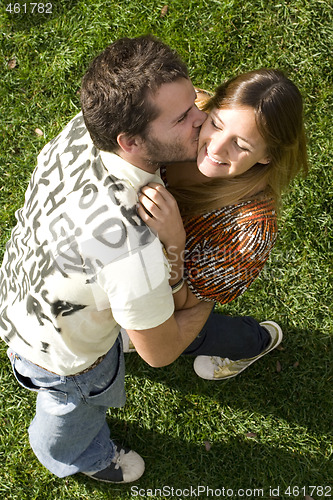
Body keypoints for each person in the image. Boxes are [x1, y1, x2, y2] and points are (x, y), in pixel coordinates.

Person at [0, 35, 214, 484]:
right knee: (71, 411)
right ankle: (77, 455)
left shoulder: (86, 126)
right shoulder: (130, 250)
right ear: (131, 141)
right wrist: (209, 296)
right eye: (183, 118)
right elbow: (161, 352)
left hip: (22, 282)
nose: (203, 118)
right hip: (64, 355)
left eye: (193, 101)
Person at [134, 69, 308, 380]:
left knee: (194, 334)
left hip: (180, 294)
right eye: (216, 124)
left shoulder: (250, 230)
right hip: (135, 270)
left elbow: (188, 302)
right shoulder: (188, 114)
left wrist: (174, 242)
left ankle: (257, 341)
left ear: (267, 156)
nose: (215, 148)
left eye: (240, 145)